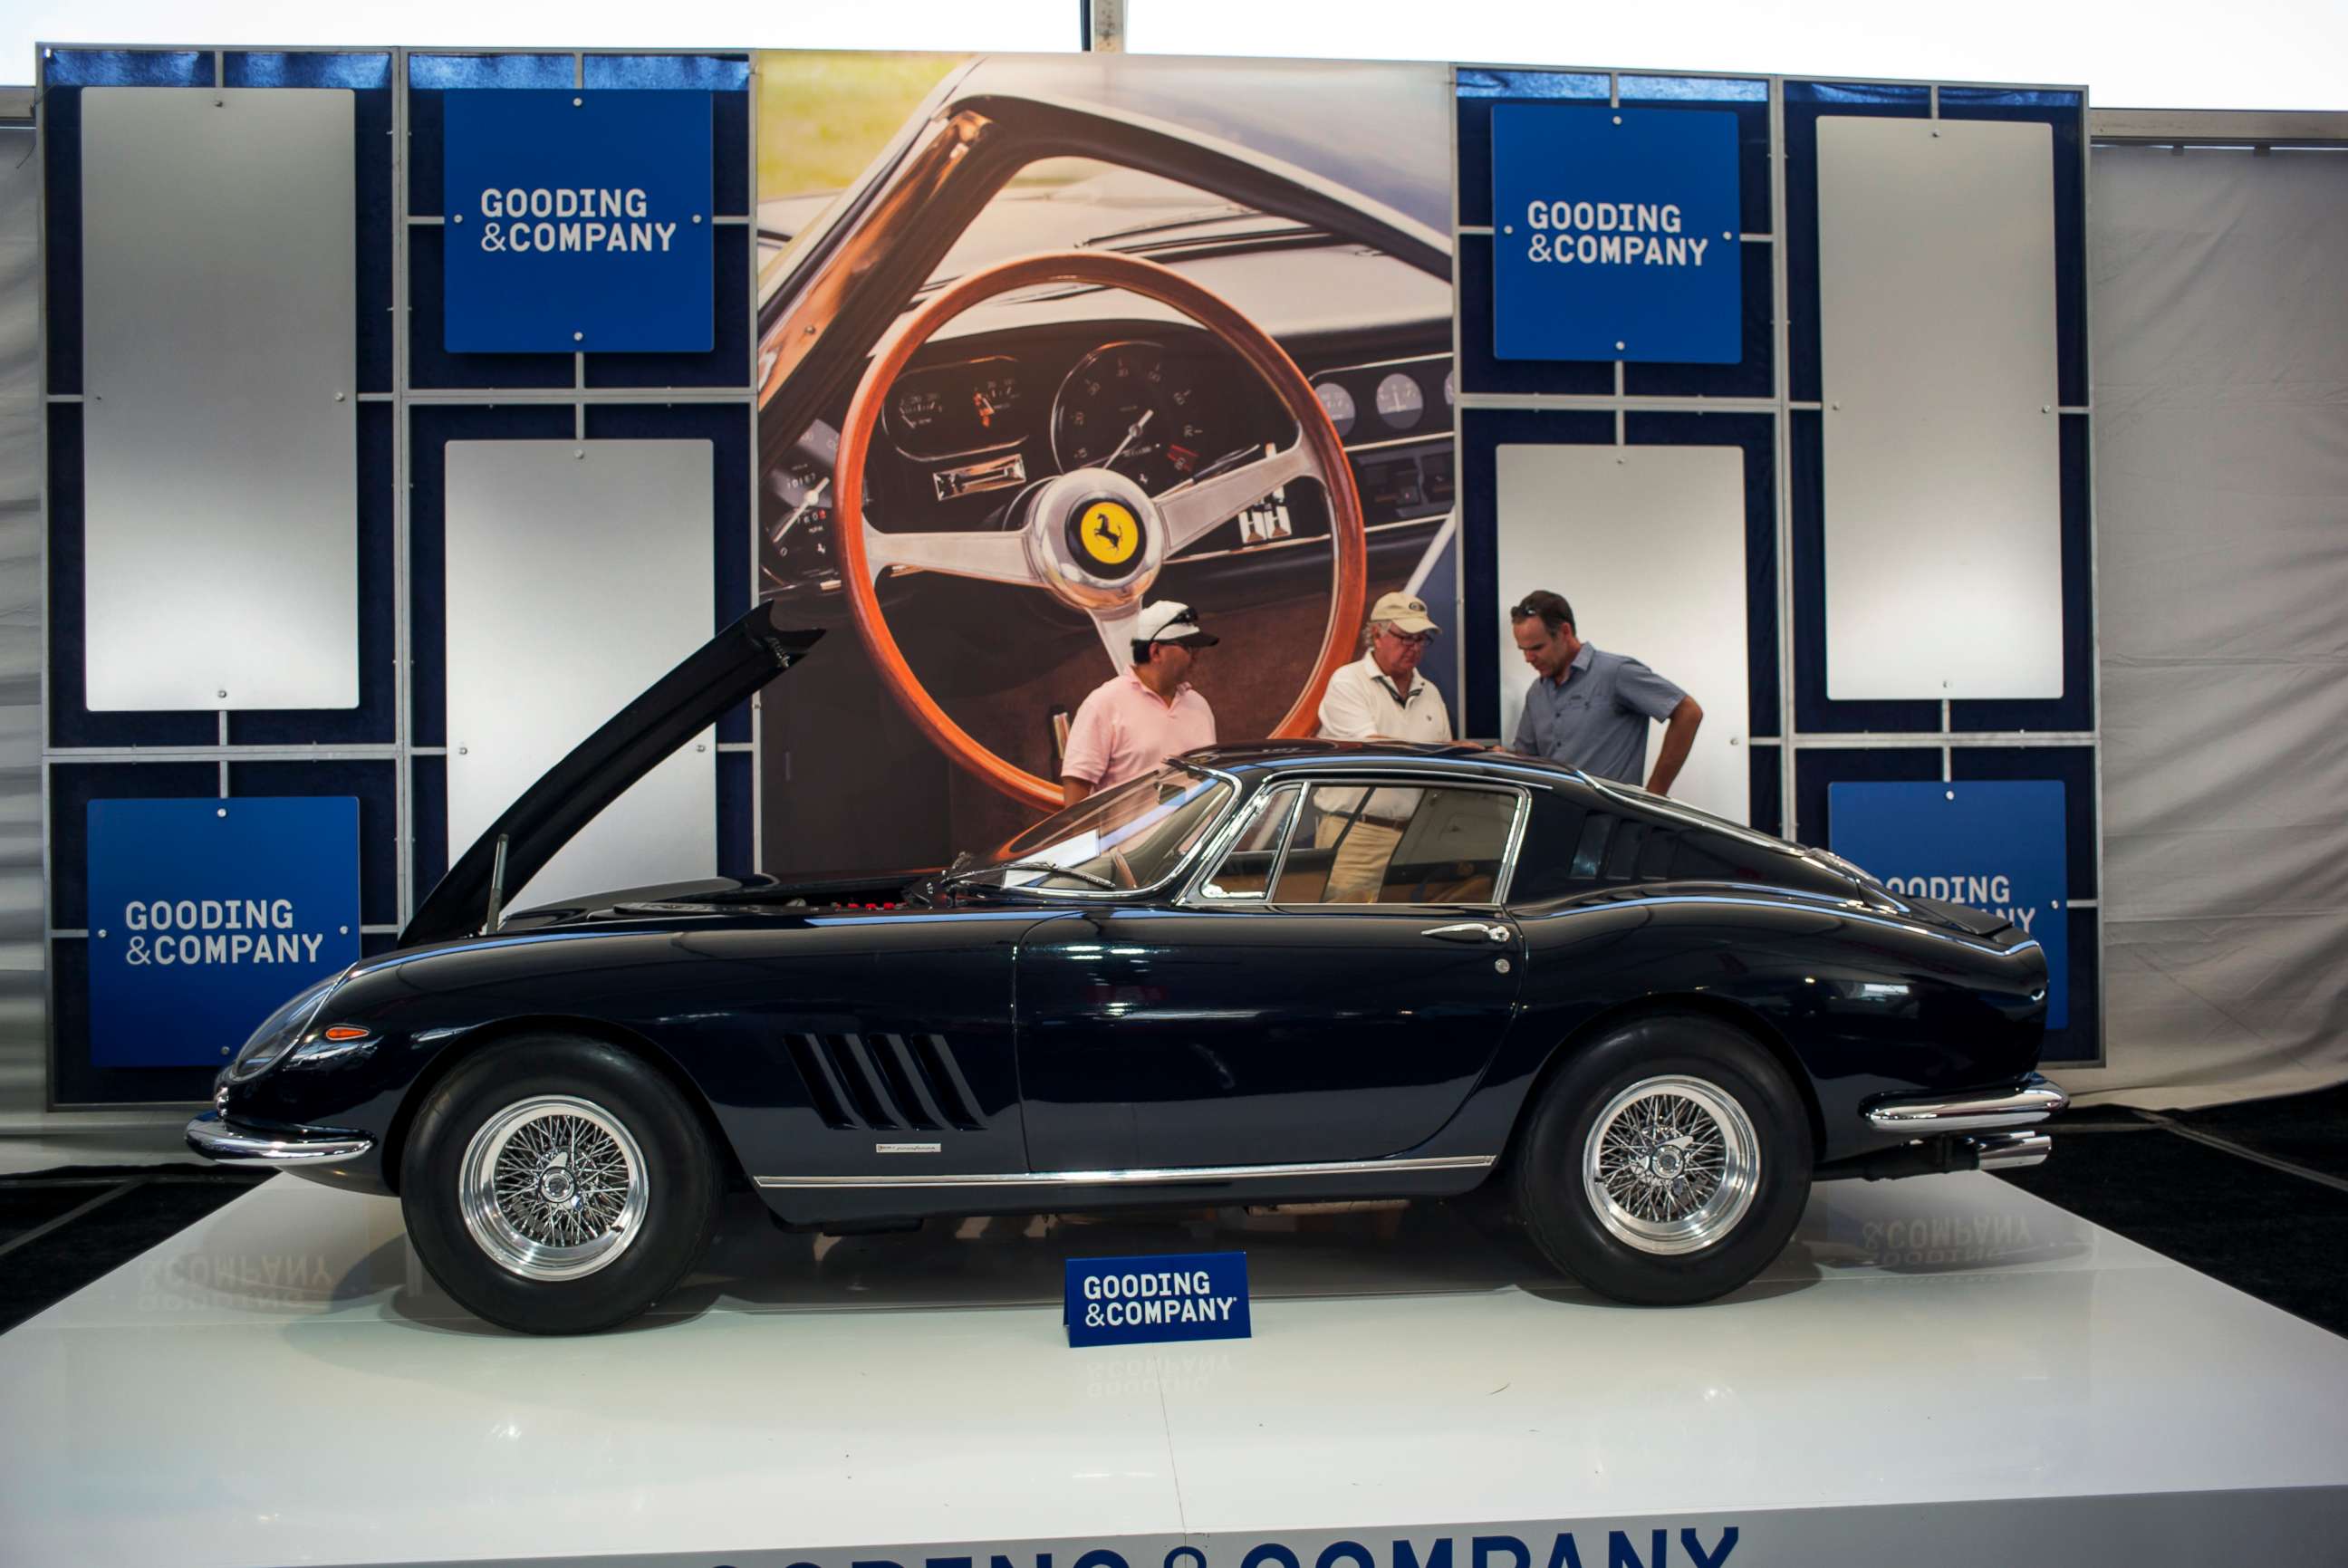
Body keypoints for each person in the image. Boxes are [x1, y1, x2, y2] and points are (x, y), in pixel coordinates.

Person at [1310, 592, 1453, 899]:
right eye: (1406, 638)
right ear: (1377, 633)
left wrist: (1458, 753)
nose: (1414, 648)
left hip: (1417, 837)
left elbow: (1444, 767)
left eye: (1422, 639)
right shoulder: (1347, 682)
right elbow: (1375, 752)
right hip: (1357, 835)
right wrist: (1449, 751)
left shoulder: (1430, 693)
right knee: (1349, 932)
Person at [1509, 590, 1703, 794]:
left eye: (1537, 648)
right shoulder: (1537, 692)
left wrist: (1655, 794)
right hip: (1555, 814)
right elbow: (1526, 757)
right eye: (1523, 649)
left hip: (1610, 820)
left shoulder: (1615, 673)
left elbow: (1688, 712)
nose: (1528, 658)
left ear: (1565, 632)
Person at [1059, 601, 1218, 806]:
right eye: (1188, 647)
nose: (1196, 655)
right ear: (1156, 652)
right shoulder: (1104, 704)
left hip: (1200, 838)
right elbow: (1076, 791)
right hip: (1131, 839)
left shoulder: (1199, 706)